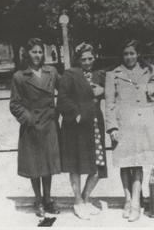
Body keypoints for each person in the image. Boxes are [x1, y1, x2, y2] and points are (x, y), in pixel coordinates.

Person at [105, 39, 154, 222]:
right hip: (123, 125)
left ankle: (136, 202)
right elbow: (109, 103)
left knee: (137, 163)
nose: (129, 57)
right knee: (124, 163)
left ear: (138, 54)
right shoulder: (113, 75)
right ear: (121, 56)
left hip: (142, 125)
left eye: (132, 53)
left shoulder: (148, 72)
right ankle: (127, 200)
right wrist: (112, 127)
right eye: (125, 54)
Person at [9, 38, 61, 217]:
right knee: (34, 165)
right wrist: (28, 119)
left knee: (48, 163)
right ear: (27, 54)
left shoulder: (52, 72)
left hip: (49, 124)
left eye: (40, 52)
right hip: (31, 127)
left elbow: (66, 89)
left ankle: (48, 199)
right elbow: (14, 104)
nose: (37, 55)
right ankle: (38, 200)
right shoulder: (19, 76)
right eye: (34, 52)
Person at [57, 42, 108, 220]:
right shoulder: (70, 74)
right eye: (83, 58)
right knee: (76, 166)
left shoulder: (99, 75)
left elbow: (111, 93)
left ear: (94, 58)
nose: (87, 62)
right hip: (77, 127)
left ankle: (86, 198)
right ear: (78, 59)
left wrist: (104, 90)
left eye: (90, 58)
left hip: (94, 125)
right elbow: (62, 99)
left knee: (98, 166)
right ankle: (78, 201)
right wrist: (76, 113)